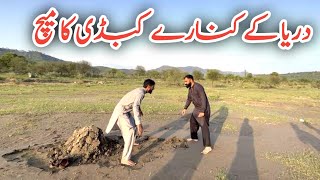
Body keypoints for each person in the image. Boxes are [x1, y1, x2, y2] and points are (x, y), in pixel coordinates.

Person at [105, 79, 155, 166]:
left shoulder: (140, 90)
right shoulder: (141, 93)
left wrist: (140, 110)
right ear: (148, 87)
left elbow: (135, 104)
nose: (153, 89)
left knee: (133, 127)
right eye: (153, 87)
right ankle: (125, 159)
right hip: (122, 112)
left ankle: (131, 141)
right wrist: (139, 124)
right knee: (131, 131)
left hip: (125, 110)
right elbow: (135, 106)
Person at [181, 74, 212, 154]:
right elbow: (189, 99)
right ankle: (194, 137)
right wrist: (185, 108)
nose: (185, 83)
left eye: (186, 81)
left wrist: (202, 111)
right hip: (197, 108)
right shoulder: (190, 88)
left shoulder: (198, 87)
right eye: (184, 81)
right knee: (192, 121)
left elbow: (203, 99)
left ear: (191, 80)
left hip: (203, 108)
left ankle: (208, 146)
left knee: (203, 126)